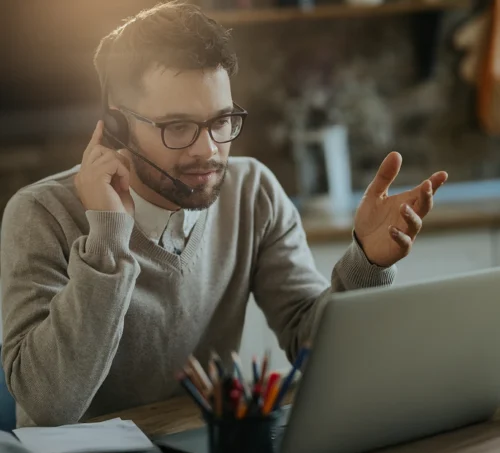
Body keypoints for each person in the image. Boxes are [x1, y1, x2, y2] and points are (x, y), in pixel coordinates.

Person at [1, 1, 447, 427]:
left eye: (221, 121)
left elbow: (310, 341)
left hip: (215, 451)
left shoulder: (252, 191)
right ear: (118, 126)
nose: (209, 150)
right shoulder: (40, 213)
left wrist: (365, 262)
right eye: (178, 127)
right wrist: (108, 239)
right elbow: (47, 407)